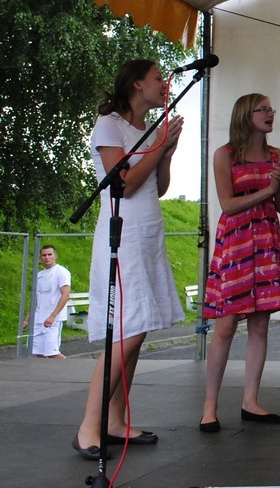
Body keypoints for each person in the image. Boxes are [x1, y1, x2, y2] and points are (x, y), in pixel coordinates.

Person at [74, 59, 185, 460]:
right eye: (158, 78)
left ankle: (116, 419)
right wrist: (159, 147)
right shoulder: (109, 125)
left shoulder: (150, 130)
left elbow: (158, 186)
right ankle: (89, 425)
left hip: (148, 233)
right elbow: (123, 185)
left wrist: (166, 152)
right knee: (129, 330)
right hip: (123, 233)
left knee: (138, 328)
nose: (164, 85)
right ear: (137, 83)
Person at [200, 94, 280, 432]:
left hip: (266, 238)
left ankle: (250, 401)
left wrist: (278, 186)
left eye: (271, 108)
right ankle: (209, 406)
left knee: (260, 324)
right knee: (226, 325)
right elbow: (227, 205)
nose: (270, 113)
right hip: (237, 240)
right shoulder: (225, 154)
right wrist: (267, 190)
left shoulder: (277, 155)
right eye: (263, 109)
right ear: (245, 114)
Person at [24, 244, 71, 359]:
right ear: (40, 257)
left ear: (55, 256)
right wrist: (26, 320)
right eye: (44, 255)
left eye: (50, 254)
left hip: (52, 320)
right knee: (38, 352)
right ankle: (43, 371)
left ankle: (69, 368)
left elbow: (65, 294)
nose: (47, 257)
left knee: (52, 353)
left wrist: (53, 316)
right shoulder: (39, 275)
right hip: (38, 318)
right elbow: (35, 300)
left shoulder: (61, 272)